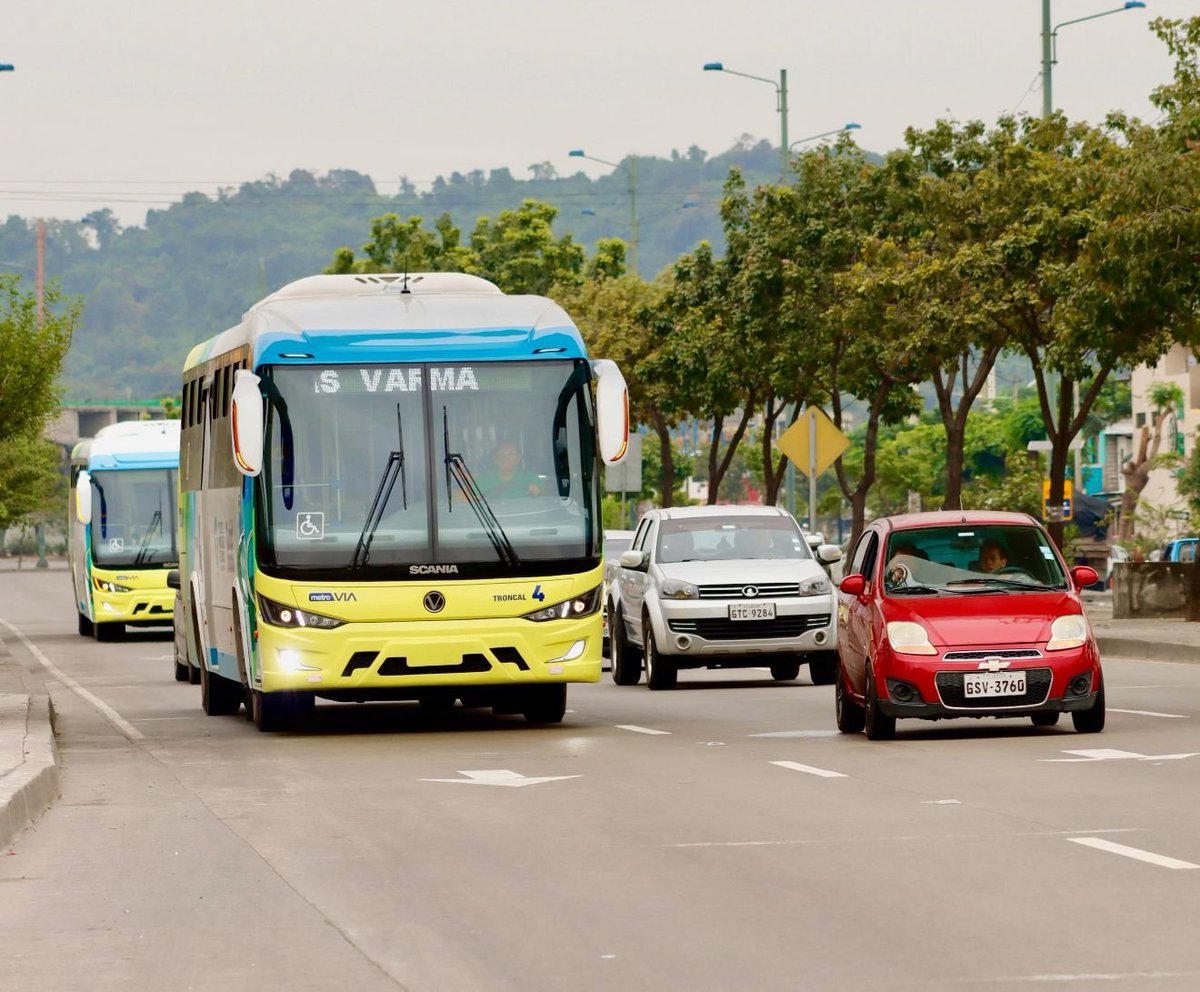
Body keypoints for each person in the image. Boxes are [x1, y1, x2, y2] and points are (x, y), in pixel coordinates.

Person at [476, 441, 542, 498]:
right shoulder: (483, 479)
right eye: (502, 454)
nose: (506, 458)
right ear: (495, 458)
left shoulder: (532, 478)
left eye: (511, 454)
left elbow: (544, 500)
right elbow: (470, 501)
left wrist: (538, 493)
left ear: (518, 458)